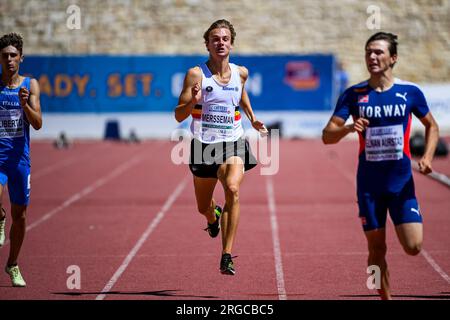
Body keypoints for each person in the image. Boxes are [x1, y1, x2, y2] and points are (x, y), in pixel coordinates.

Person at [322, 32, 439, 299]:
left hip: (401, 184)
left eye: (378, 52)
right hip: (369, 186)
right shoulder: (354, 95)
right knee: (377, 248)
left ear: (393, 58)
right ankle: (384, 297)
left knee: (413, 246)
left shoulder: (409, 93)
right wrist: (349, 128)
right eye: (368, 52)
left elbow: (432, 125)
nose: (372, 57)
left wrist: (428, 156)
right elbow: (327, 136)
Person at [174, 19, 266, 275]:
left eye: (225, 39)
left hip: (233, 142)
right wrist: (193, 100)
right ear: (207, 44)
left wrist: (251, 117)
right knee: (202, 206)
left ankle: (226, 255)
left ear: (231, 44)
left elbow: (240, 94)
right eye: (215, 39)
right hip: (204, 147)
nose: (220, 43)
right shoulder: (196, 74)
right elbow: (179, 116)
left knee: (233, 189)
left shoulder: (241, 73)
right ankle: (212, 217)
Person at [0, 33, 43, 287]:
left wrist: (25, 105)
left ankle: (12, 264)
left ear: (21, 58)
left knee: (22, 216)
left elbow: (38, 124)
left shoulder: (30, 85)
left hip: (19, 160)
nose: (9, 60)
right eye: (5, 56)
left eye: (13, 55)